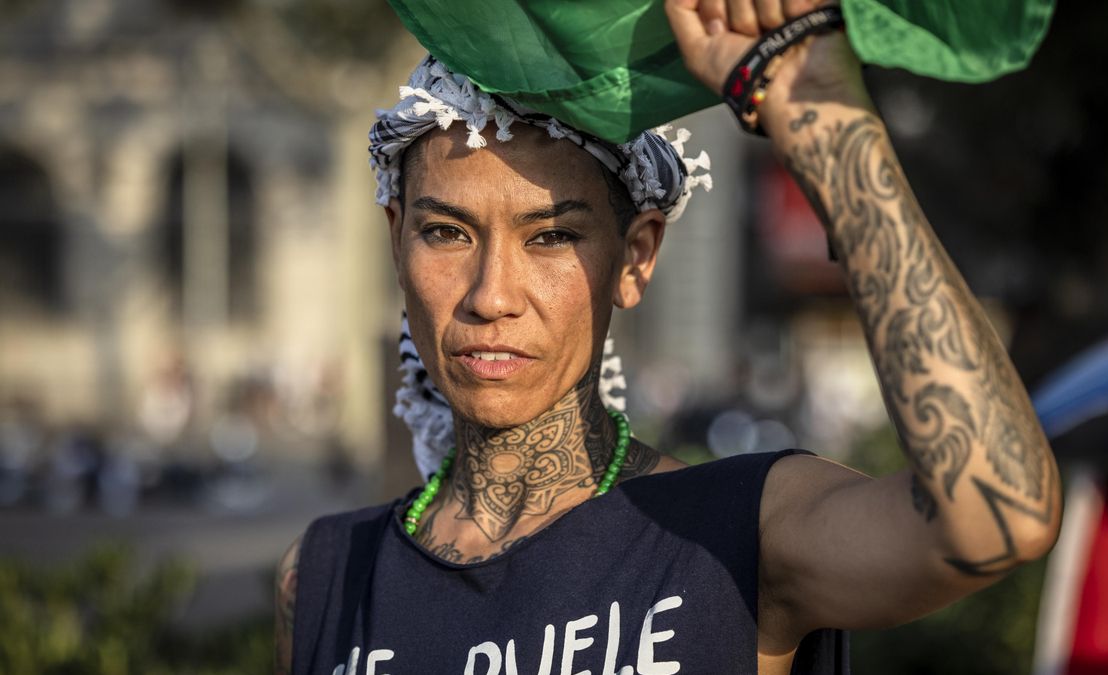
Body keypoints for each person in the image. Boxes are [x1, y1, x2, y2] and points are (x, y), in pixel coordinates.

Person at [275, 1, 1063, 672]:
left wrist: (819, 113)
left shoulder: (738, 531)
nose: (491, 295)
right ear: (395, 240)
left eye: (550, 238)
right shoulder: (323, 576)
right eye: (446, 232)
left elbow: (1000, 511)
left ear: (636, 256)